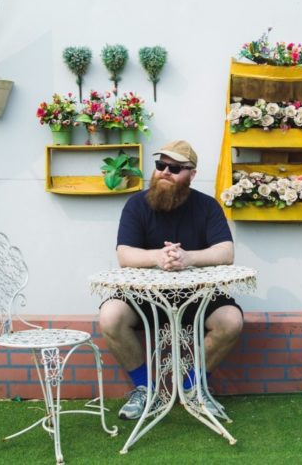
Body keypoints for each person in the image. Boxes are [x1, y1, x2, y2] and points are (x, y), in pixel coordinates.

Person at [99, 140, 243, 420]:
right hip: (145, 296)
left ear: (191, 174)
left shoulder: (207, 206)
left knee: (231, 321)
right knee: (110, 316)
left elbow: (226, 252)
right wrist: (158, 256)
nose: (165, 171)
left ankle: (193, 387)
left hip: (196, 295)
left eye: (175, 168)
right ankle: (146, 389)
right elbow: (125, 254)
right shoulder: (136, 204)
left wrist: (188, 258)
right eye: (160, 165)